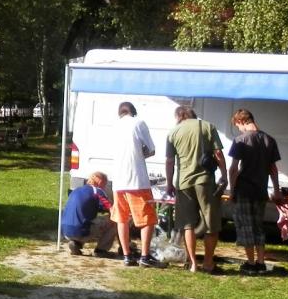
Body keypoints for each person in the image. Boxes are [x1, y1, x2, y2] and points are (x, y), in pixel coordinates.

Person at [164, 105, 228, 273]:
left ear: (179, 116)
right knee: (211, 223)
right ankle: (208, 263)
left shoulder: (173, 132)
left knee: (188, 224)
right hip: (205, 181)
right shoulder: (208, 126)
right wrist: (224, 175)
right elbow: (218, 154)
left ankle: (192, 263)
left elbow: (169, 161)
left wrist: (169, 183)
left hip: (183, 182)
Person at [225, 109, 281, 274]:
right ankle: (261, 262)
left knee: (245, 226)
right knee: (258, 226)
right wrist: (276, 190)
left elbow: (233, 169)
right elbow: (273, 169)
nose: (238, 129)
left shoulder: (240, 140)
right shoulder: (269, 140)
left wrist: (232, 191)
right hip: (261, 190)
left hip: (244, 189)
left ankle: (250, 263)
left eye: (237, 126)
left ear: (241, 121)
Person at [111, 101, 161, 267]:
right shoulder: (138, 123)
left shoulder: (115, 125)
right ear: (133, 112)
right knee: (147, 219)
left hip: (118, 180)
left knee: (122, 219)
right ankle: (145, 256)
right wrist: (140, 154)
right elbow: (151, 149)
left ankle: (127, 255)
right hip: (137, 180)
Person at [61, 171, 118, 257]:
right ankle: (101, 250)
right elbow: (111, 208)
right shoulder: (97, 191)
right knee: (114, 221)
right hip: (82, 230)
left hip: (65, 230)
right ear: (100, 181)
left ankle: (76, 243)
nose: (105, 187)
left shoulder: (76, 190)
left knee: (84, 220)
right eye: (105, 184)